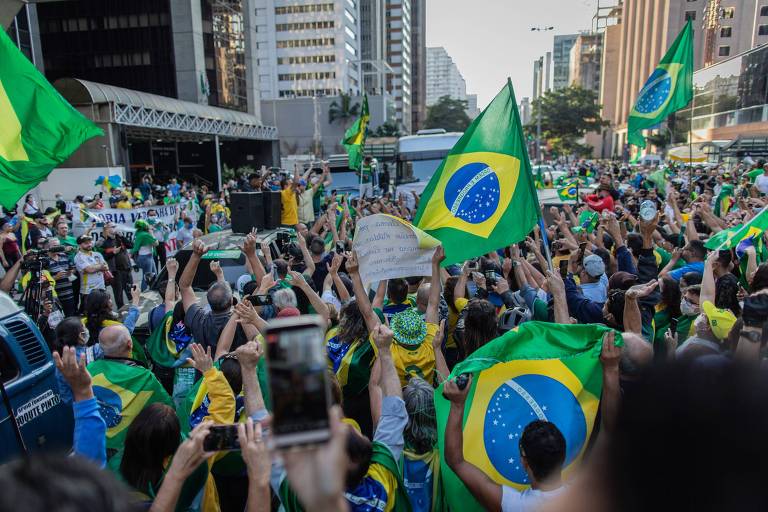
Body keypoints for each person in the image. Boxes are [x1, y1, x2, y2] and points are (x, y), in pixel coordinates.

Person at [443, 331, 621, 512]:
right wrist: (612, 369)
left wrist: (458, 405)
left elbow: (456, 461)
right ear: (564, 456)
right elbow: (610, 432)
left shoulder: (514, 506)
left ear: (524, 461)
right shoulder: (587, 496)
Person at [98, 222, 134, 309]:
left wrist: (122, 236)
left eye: (115, 226)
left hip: (127, 269)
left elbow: (131, 245)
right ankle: (121, 312)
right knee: (119, 295)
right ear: (107, 229)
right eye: (113, 227)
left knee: (132, 291)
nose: (115, 228)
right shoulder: (103, 241)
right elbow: (101, 257)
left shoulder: (119, 238)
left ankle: (135, 308)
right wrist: (113, 253)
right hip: (116, 272)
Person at [74, 234, 108, 308]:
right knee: (90, 313)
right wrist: (99, 266)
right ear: (79, 245)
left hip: (101, 287)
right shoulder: (78, 257)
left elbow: (106, 267)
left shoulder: (97, 254)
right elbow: (89, 269)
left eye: (90, 242)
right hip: (88, 290)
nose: (89, 244)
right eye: (86, 243)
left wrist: (95, 267)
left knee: (103, 310)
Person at [131, 219, 158, 292]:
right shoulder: (145, 235)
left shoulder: (138, 233)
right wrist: (151, 233)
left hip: (144, 256)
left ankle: (154, 288)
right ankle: (144, 291)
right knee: (147, 275)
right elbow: (156, 243)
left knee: (154, 273)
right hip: (146, 257)